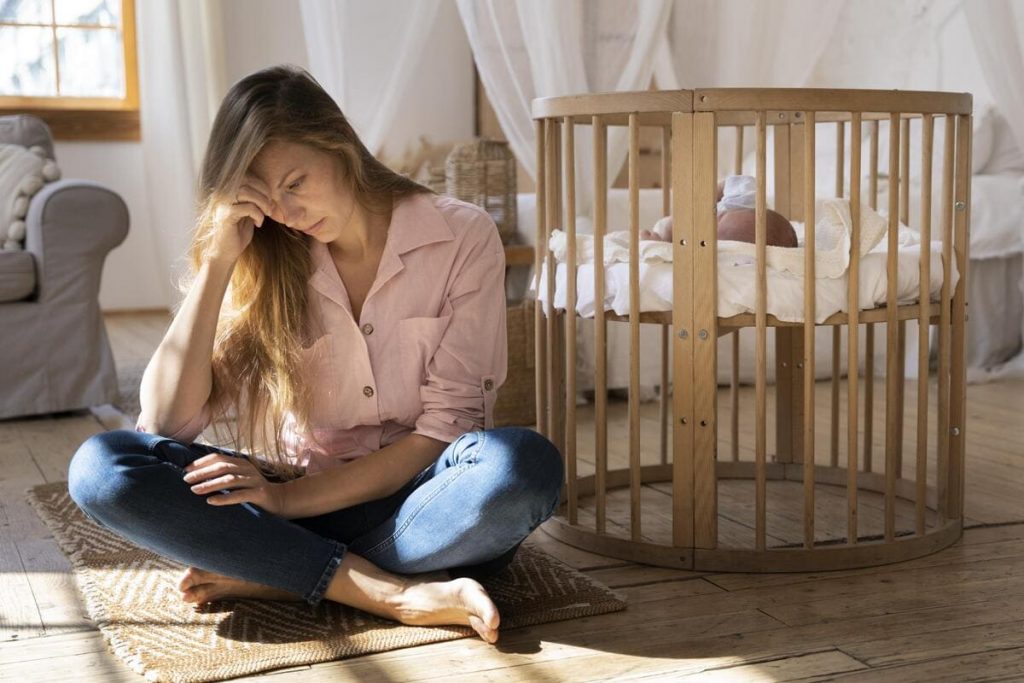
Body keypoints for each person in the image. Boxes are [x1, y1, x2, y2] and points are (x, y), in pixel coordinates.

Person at [67, 65, 563, 644]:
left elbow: (445, 430)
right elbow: (167, 422)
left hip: (424, 506)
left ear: (339, 142)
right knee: (102, 470)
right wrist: (220, 262)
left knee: (523, 467)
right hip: (310, 493)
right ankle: (383, 589)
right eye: (266, 197)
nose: (286, 211)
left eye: (296, 182)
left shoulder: (463, 237)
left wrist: (280, 502)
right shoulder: (267, 257)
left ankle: (279, 568)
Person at [641, 175, 798, 247]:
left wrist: (659, 247)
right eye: (720, 218)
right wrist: (703, 199)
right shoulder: (745, 198)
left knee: (665, 234)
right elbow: (736, 182)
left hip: (680, 235)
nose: (709, 224)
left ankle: (657, 242)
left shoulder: (717, 250)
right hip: (697, 205)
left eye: (713, 233)